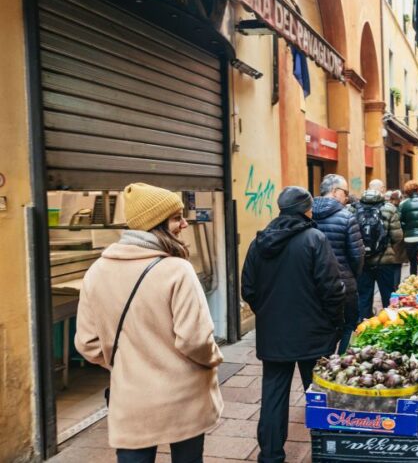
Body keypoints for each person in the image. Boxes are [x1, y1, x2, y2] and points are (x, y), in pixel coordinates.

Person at [75, 183, 223, 463]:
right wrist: (213, 358)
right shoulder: (177, 270)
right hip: (184, 395)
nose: (184, 224)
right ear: (156, 224)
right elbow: (195, 340)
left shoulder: (96, 271)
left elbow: (87, 343)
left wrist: (128, 365)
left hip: (131, 398)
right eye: (176, 218)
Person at [242, 186, 344, 463]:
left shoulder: (259, 242)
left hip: (273, 334)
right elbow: (332, 288)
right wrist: (335, 322)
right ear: (305, 209)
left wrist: (266, 313)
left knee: (273, 394)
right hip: (314, 333)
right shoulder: (314, 239)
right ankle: (324, 451)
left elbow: (248, 289)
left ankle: (271, 455)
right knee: (319, 395)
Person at [312, 174, 365, 353]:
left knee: (322, 325)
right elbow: (357, 256)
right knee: (349, 324)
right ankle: (341, 361)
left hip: (315, 283)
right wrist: (352, 276)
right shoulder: (347, 217)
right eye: (345, 192)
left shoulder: (307, 215)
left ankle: (323, 362)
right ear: (334, 192)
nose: (348, 196)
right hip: (344, 283)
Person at [354, 188, 404, 319]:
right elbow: (397, 237)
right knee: (388, 293)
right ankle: (391, 322)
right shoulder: (389, 209)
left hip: (363, 261)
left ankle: (364, 323)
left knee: (364, 295)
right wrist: (385, 245)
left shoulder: (353, 209)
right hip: (384, 260)